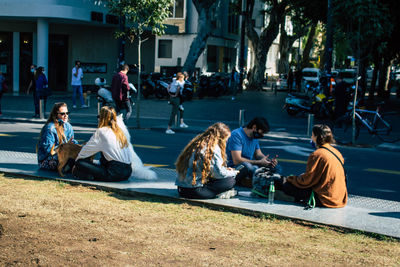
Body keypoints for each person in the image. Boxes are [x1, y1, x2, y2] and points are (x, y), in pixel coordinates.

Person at [276, 124, 348, 208]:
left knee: (287, 185)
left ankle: (288, 197)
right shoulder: (336, 152)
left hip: (325, 199)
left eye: (312, 135)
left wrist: (290, 179)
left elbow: (307, 180)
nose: (311, 137)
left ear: (317, 137)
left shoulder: (317, 154)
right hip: (339, 197)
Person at [175, 122, 239, 199]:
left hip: (181, 189)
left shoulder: (198, 142)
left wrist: (225, 170)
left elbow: (210, 169)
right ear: (221, 138)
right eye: (226, 139)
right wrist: (232, 172)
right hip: (195, 191)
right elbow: (219, 174)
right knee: (230, 181)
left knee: (225, 177)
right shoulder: (213, 148)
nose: (226, 142)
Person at [73, 106, 133, 182]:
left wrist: (76, 164)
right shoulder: (119, 132)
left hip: (114, 173)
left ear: (102, 118)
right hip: (128, 172)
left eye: (99, 117)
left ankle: (90, 176)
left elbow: (84, 152)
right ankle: (93, 175)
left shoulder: (101, 132)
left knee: (80, 163)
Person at [226, 117, 278, 187]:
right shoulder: (236, 135)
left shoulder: (254, 137)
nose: (262, 135)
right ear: (254, 127)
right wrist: (259, 162)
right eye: (262, 132)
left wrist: (268, 161)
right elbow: (237, 160)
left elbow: (258, 154)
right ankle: (255, 181)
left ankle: (253, 180)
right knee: (248, 167)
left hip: (250, 165)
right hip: (235, 167)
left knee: (276, 168)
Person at [37, 102, 78, 171]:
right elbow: (48, 150)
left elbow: (71, 141)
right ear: (56, 115)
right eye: (62, 114)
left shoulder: (68, 126)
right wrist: (65, 149)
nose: (66, 115)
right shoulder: (50, 128)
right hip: (47, 159)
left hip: (64, 154)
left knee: (80, 156)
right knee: (69, 159)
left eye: (67, 113)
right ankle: (69, 167)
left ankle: (72, 167)